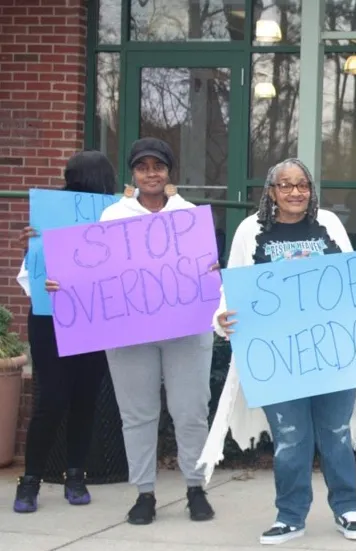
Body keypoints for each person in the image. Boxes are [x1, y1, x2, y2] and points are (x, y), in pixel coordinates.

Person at [210, 158, 356, 544]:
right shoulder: (251, 230)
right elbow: (229, 285)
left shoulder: (329, 224)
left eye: (302, 185)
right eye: (286, 186)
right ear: (271, 192)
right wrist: (221, 317)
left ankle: (347, 509)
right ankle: (290, 515)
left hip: (333, 352)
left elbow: (354, 276)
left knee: (335, 433)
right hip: (278, 355)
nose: (296, 192)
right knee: (290, 437)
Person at [52, 138, 218, 525]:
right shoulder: (112, 217)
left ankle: (196, 487)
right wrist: (65, 285)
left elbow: (206, 269)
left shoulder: (189, 214)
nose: (151, 173)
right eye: (142, 167)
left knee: (191, 410)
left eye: (157, 166)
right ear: (133, 173)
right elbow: (93, 272)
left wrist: (211, 274)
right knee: (137, 414)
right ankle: (144, 492)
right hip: (129, 331)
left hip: (185, 328)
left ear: (168, 171)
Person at [12, 151, 117, 513]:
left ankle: (75, 474)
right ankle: (31, 481)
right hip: (51, 316)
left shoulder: (118, 216)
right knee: (53, 399)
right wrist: (34, 249)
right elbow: (32, 278)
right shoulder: (49, 218)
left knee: (84, 398)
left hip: (94, 316)